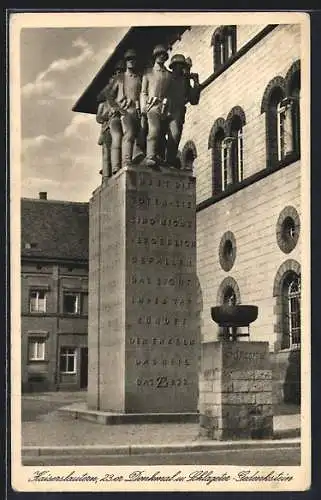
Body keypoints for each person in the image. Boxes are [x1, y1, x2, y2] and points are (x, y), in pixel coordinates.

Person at [106, 49, 143, 168]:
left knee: (139, 135)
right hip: (123, 111)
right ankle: (125, 161)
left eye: (133, 59)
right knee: (129, 133)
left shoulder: (138, 78)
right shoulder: (120, 78)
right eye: (128, 60)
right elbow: (109, 95)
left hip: (136, 111)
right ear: (126, 62)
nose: (131, 62)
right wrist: (116, 107)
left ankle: (136, 159)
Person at [141, 44, 172, 168]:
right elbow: (143, 92)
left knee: (162, 133)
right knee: (154, 130)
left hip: (164, 107)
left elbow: (170, 92)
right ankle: (150, 156)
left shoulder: (168, 75)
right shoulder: (148, 73)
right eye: (159, 55)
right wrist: (144, 106)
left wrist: (166, 103)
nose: (161, 57)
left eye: (163, 55)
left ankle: (159, 156)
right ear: (155, 57)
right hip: (151, 106)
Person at [96, 61, 125, 179]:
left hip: (120, 125)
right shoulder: (103, 104)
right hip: (107, 129)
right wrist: (107, 115)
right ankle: (106, 176)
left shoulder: (120, 98)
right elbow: (98, 117)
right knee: (107, 153)